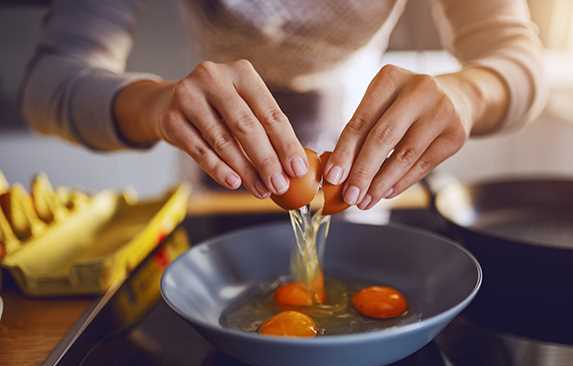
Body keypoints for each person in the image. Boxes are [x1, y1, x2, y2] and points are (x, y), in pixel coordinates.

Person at [20, 0, 545, 211]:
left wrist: (467, 94)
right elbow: (48, 85)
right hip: (216, 161)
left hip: (366, 161)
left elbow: (520, 61)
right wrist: (159, 105)